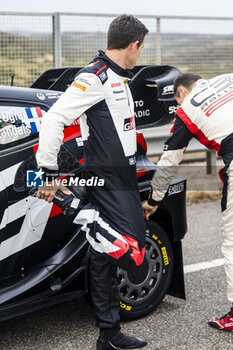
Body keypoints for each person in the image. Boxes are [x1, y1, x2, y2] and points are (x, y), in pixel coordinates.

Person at [36, 15, 149, 350]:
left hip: (124, 174)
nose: (139, 55)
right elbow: (55, 118)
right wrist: (49, 173)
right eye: (140, 49)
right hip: (107, 177)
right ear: (133, 45)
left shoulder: (119, 76)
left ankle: (108, 334)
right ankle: (81, 212)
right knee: (133, 253)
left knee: (103, 257)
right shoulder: (94, 76)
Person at [142, 72, 233, 332]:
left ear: (181, 91)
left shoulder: (188, 109)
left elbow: (170, 160)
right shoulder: (228, 78)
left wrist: (154, 199)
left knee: (232, 240)